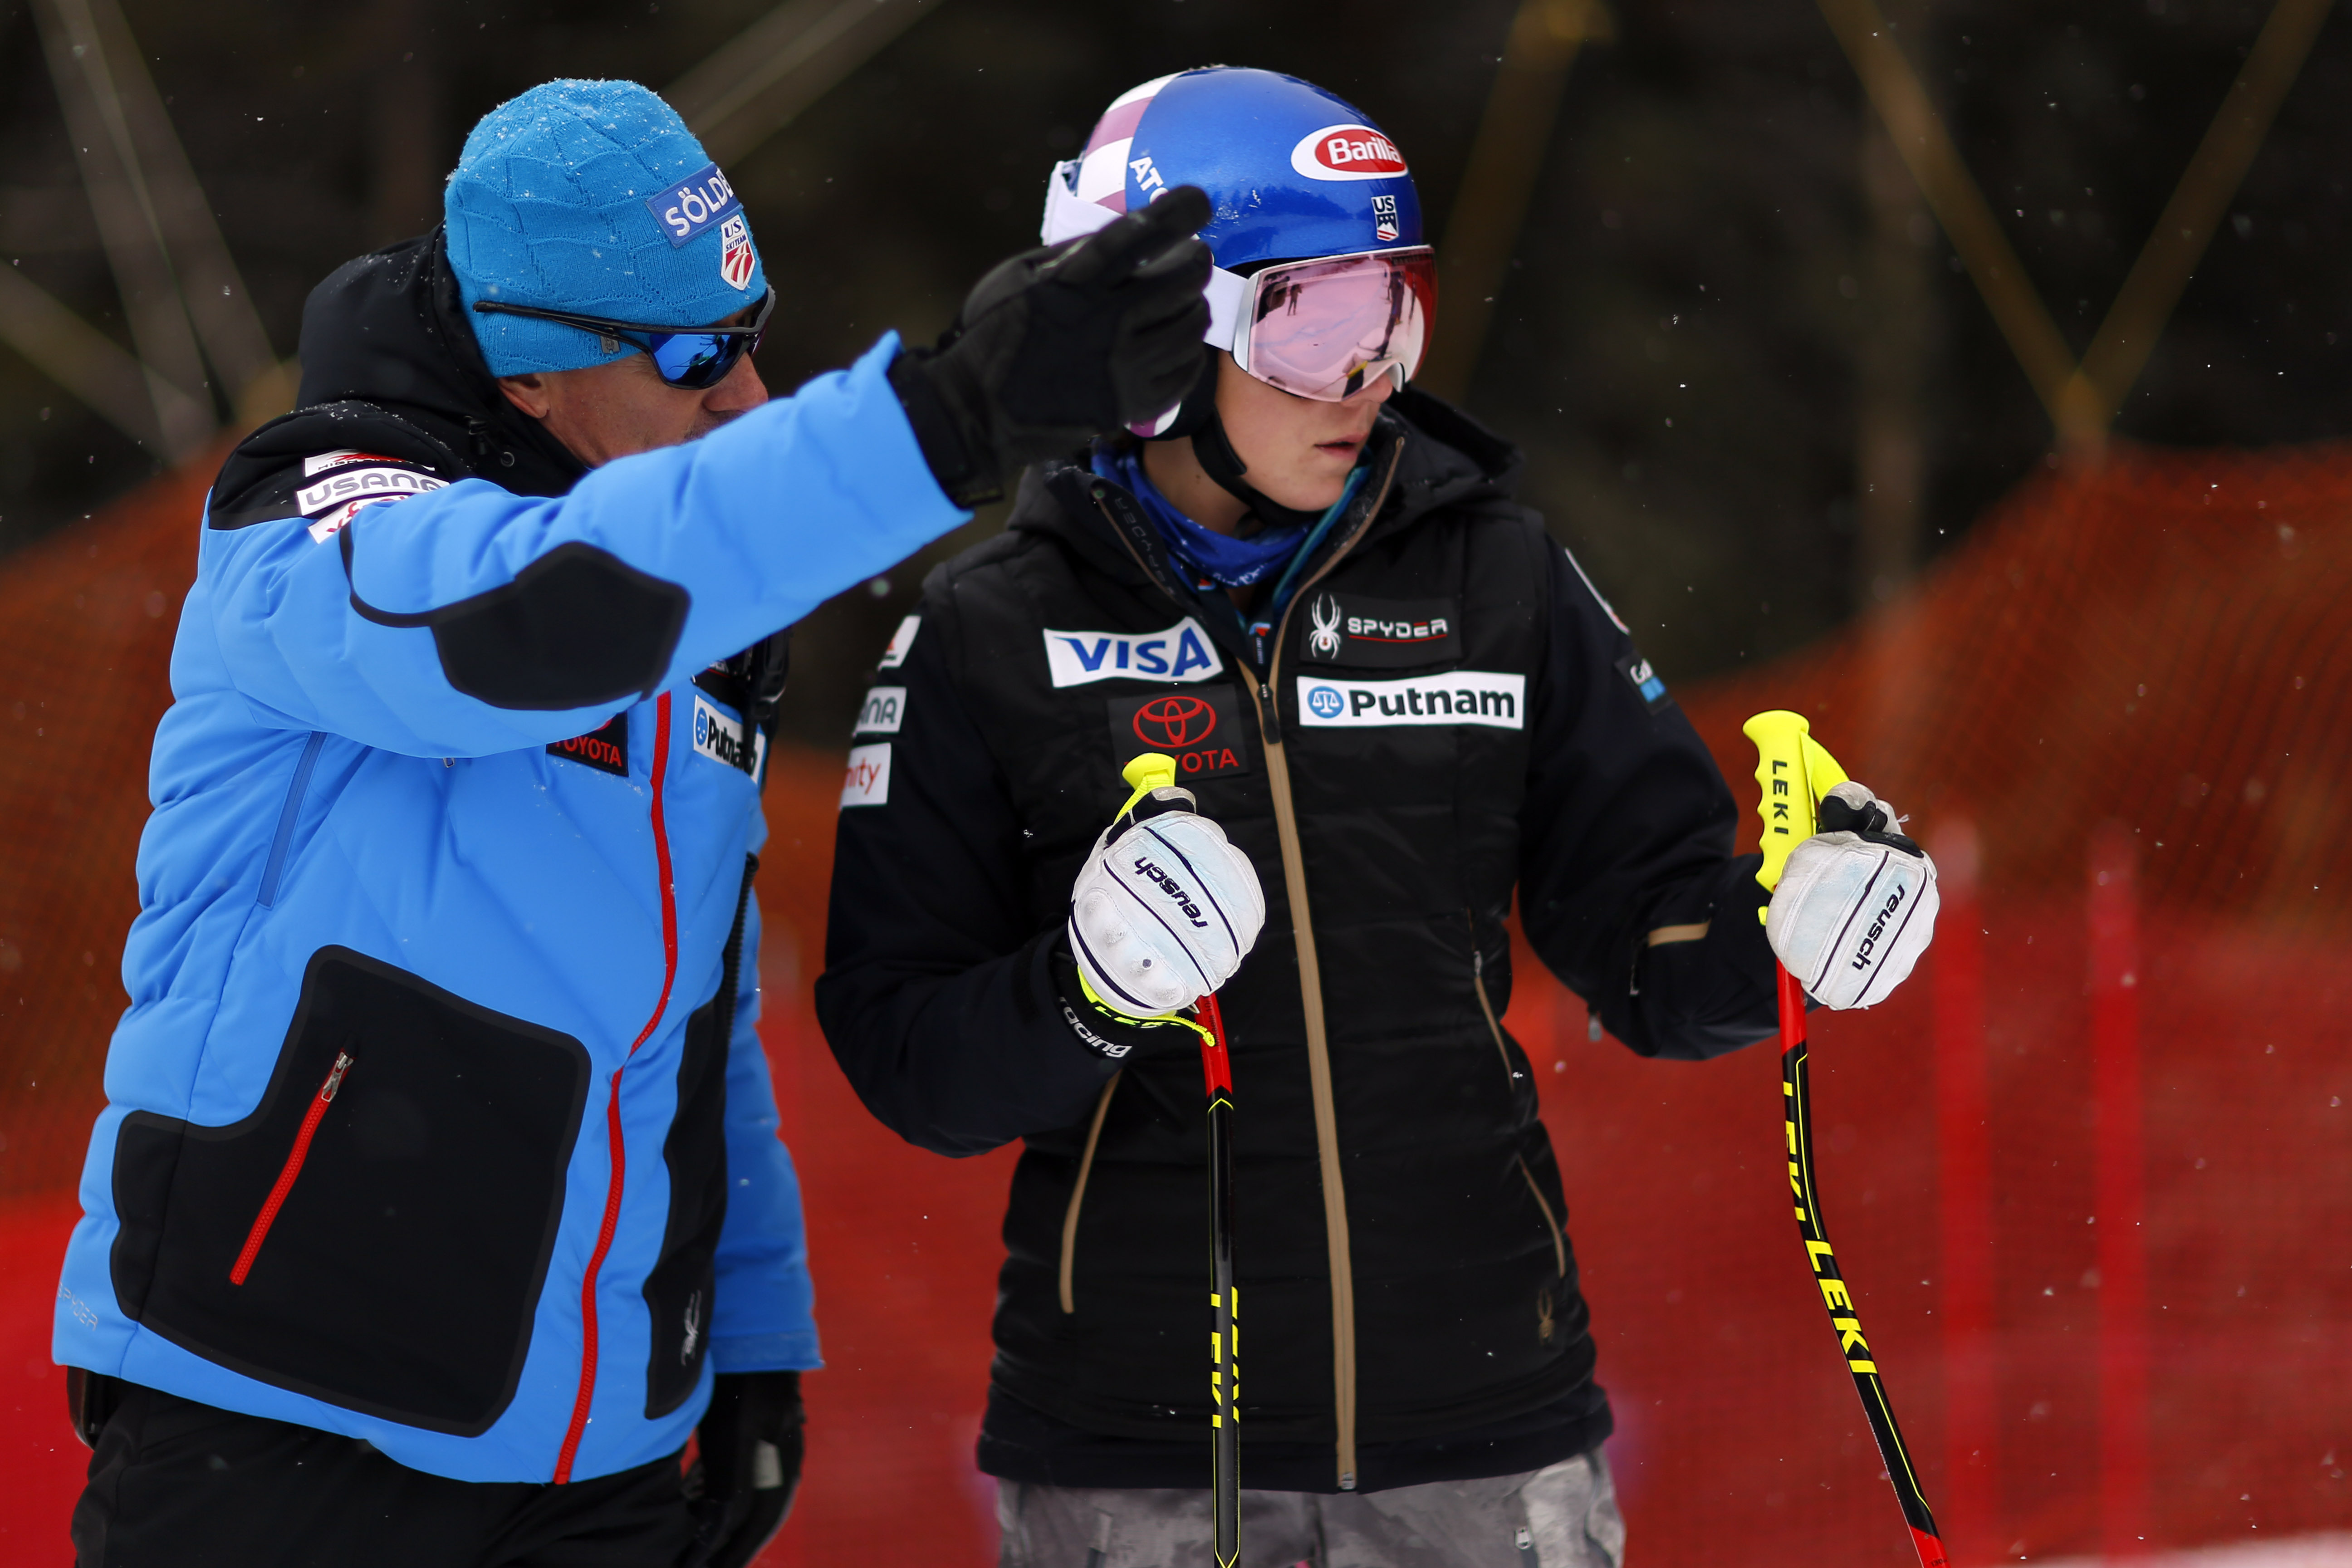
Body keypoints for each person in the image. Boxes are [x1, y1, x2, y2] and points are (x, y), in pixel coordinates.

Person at [53, 78, 1214, 1568]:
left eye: (752, 332)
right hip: (277, 1413)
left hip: (589, 1446)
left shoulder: (689, 604)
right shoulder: (319, 514)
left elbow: (692, 1015)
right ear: (530, 376)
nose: (747, 395)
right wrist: (944, 420)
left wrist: (741, 1330)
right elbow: (515, 627)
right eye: (691, 357)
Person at [815, 66, 1940, 1568]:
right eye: (1318, 321)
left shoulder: (1500, 580)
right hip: (1144, 1470)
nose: (1372, 376)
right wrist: (1084, 995)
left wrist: (1794, 928)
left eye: (1394, 312)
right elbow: (910, 1061)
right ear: (1155, 341)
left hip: (1487, 1449)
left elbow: (1657, 938)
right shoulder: (981, 634)